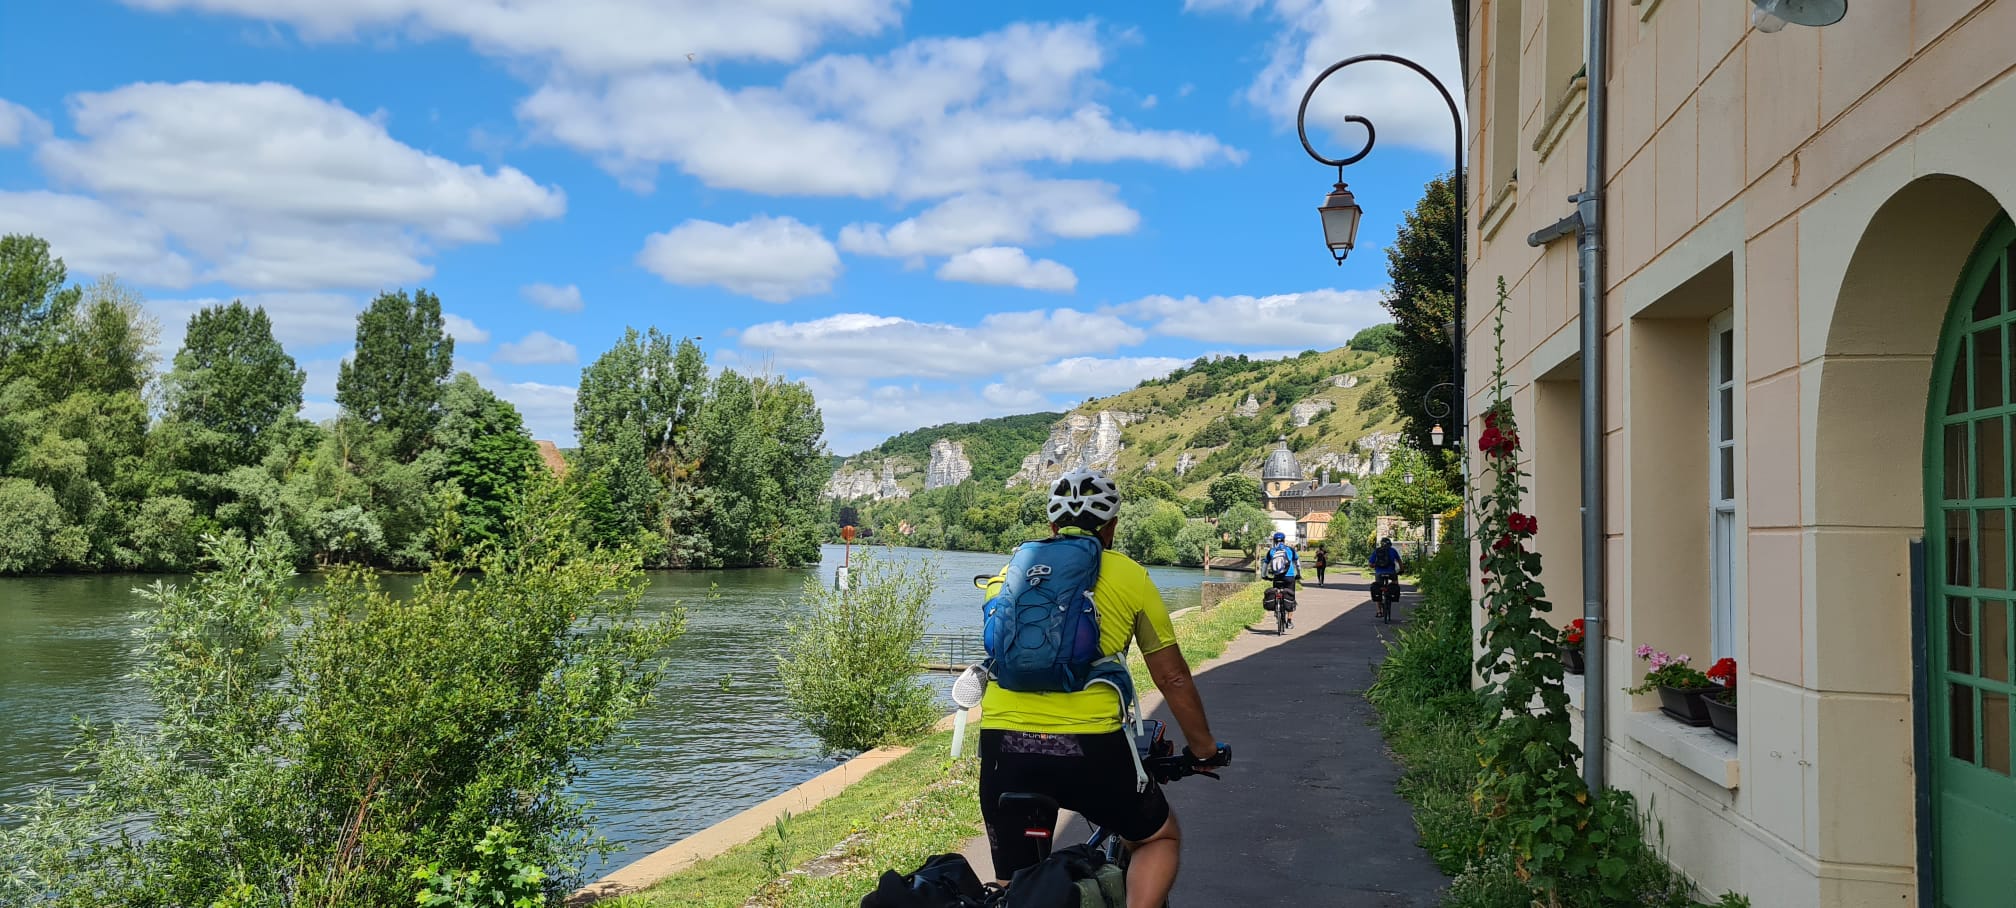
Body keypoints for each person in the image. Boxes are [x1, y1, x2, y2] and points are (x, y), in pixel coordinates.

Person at [977, 469, 1230, 908]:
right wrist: (1203, 749)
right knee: (1157, 837)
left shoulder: (1010, 573)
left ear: (1052, 526)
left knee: (1013, 884)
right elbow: (1171, 677)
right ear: (1111, 525)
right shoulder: (1130, 576)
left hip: (1003, 746)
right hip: (1088, 748)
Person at [1260, 531, 1300, 629]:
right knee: (1291, 597)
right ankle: (1289, 621)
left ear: (1274, 541)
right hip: (1289, 577)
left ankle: (1277, 612)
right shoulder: (1290, 550)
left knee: (1276, 593)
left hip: (1277, 577)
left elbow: (1265, 565)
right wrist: (1298, 574)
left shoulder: (1271, 551)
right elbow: (1297, 564)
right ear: (1284, 540)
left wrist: (1264, 576)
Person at [1369, 536, 1404, 613]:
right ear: (1390, 544)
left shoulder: (1377, 551)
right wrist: (1401, 570)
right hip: (1391, 573)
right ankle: (1390, 593)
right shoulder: (1393, 551)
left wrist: (1375, 566)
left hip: (1379, 573)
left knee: (1378, 588)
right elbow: (1399, 561)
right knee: (1395, 583)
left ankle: (1379, 610)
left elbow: (1370, 564)